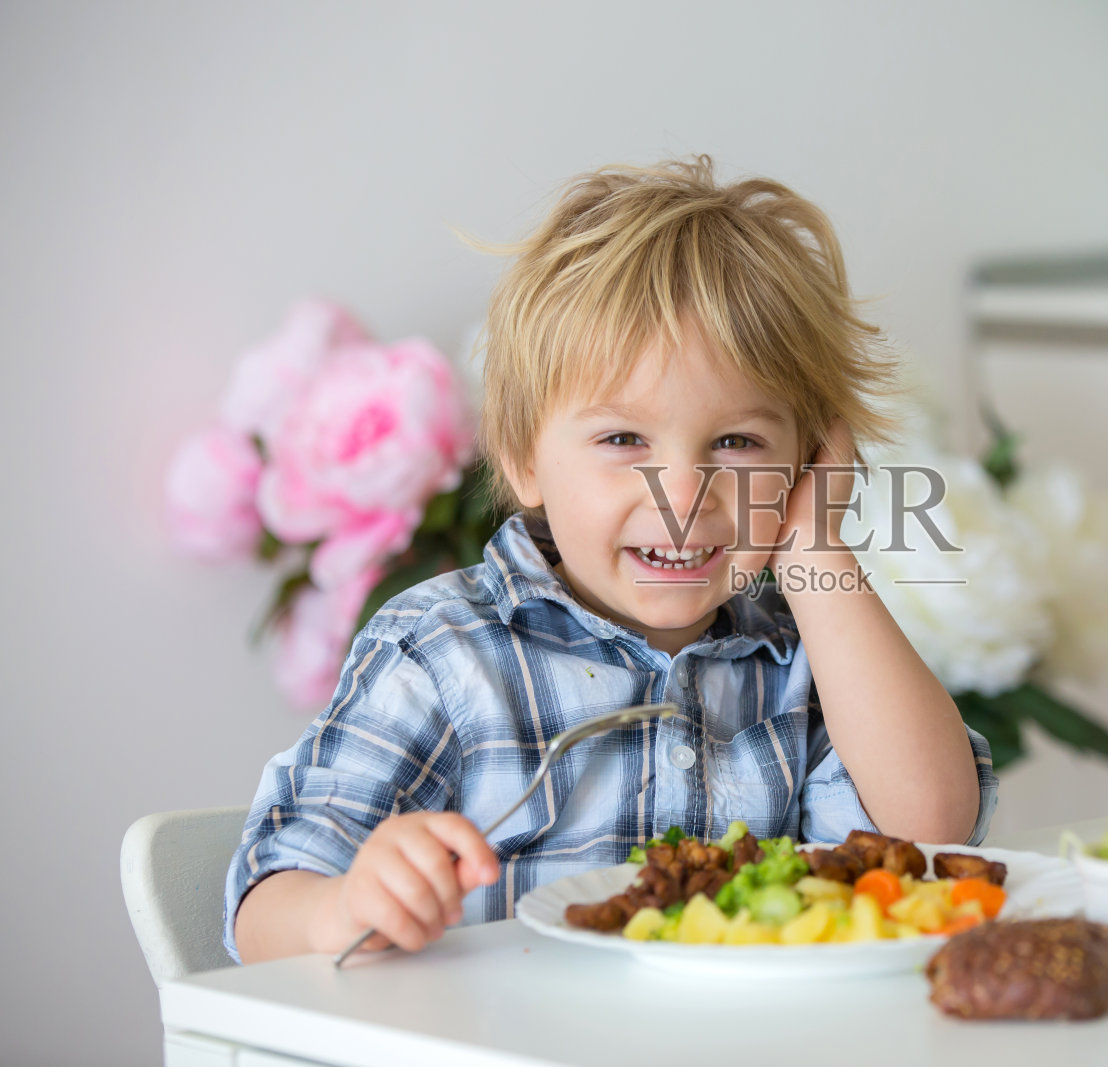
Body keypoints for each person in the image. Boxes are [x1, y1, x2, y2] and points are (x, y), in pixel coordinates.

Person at [226, 157, 998, 964]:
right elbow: (263, 911)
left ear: (806, 462)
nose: (684, 492)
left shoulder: (804, 663)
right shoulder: (443, 651)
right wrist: (340, 906)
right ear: (524, 456)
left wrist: (811, 541)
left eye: (737, 442)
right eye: (624, 439)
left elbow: (930, 830)